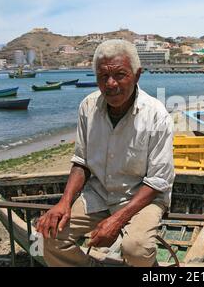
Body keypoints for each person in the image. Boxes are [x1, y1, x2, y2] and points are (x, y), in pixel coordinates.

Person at [36, 39, 175, 267]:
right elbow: (81, 162)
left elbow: (158, 181)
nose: (110, 84)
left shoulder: (157, 116)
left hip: (141, 198)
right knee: (46, 235)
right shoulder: (88, 107)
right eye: (103, 77)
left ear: (137, 75)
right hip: (99, 194)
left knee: (136, 249)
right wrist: (64, 202)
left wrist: (117, 220)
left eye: (120, 75)